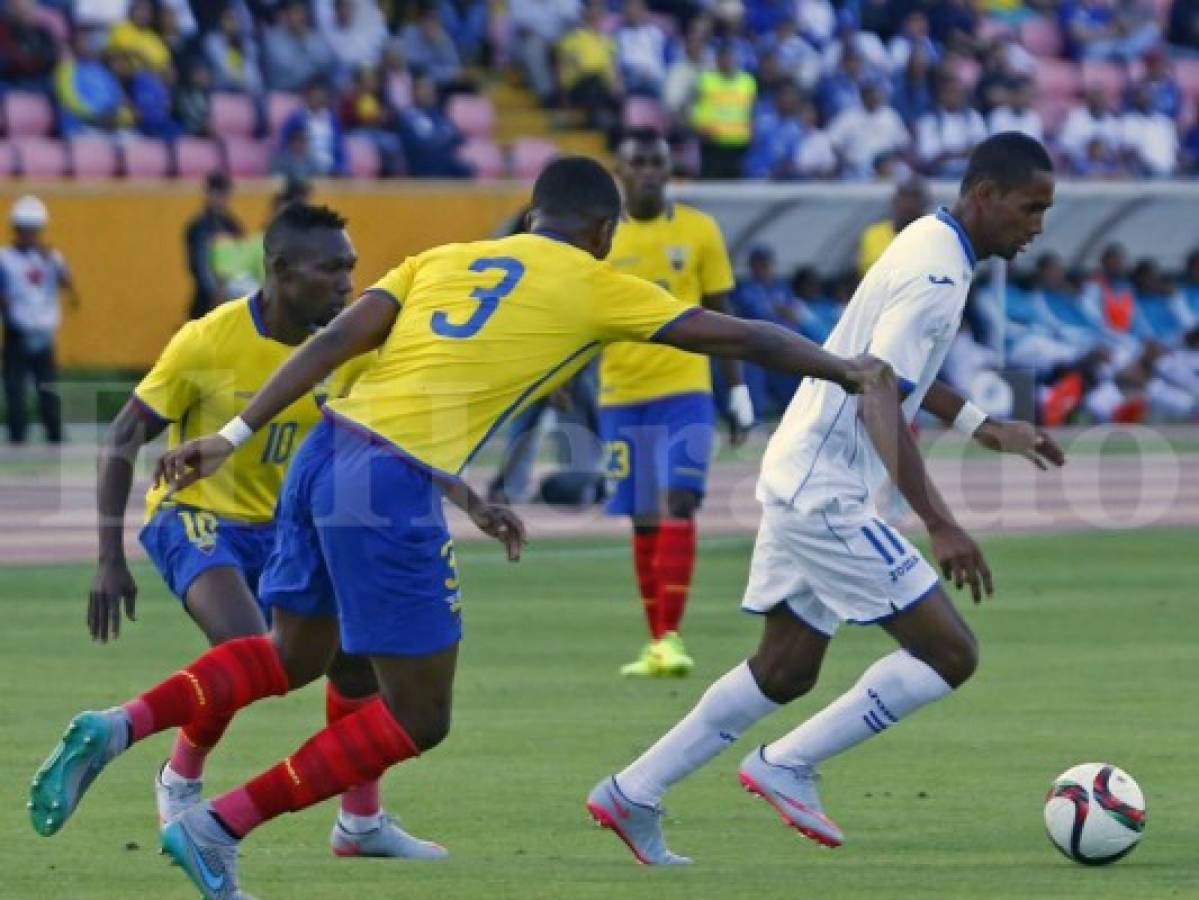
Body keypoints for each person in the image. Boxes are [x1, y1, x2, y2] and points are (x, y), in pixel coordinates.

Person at [30, 156, 883, 898]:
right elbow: (738, 335)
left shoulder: (443, 258)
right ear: (600, 228)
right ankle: (219, 826)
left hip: (323, 457)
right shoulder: (595, 281)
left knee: (295, 657)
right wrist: (840, 367)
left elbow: (331, 348)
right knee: (419, 715)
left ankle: (121, 725)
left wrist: (232, 432)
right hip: (389, 482)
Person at [584, 132, 1066, 865]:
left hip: (802, 466)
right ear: (984, 195)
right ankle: (787, 764)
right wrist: (941, 523)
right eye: (1030, 208)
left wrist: (983, 424)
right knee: (949, 652)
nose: (1037, 225)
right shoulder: (937, 276)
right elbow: (877, 393)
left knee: (784, 667)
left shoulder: (929, 242)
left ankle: (631, 791)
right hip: (824, 489)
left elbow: (893, 369)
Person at [84, 202, 457, 859]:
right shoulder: (207, 340)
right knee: (248, 646)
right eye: (332, 269)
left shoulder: (350, 349)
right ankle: (180, 779)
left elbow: (392, 436)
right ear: (280, 271)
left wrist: (471, 499)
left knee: (356, 660)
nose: (349, 283)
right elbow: (121, 434)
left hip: (287, 529)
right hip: (196, 515)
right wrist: (108, 557)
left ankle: (360, 824)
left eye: (352, 267)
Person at [600, 130, 753, 677]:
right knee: (643, 520)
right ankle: (655, 642)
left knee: (679, 501)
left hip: (685, 388)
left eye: (656, 163)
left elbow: (721, 308)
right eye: (637, 162)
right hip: (620, 393)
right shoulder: (601, 236)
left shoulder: (698, 229)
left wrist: (736, 391)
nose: (647, 172)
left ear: (669, 171)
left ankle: (671, 636)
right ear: (620, 170)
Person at [0, 195, 78, 445]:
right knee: (15, 390)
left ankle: (55, 435)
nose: (30, 235)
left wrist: (55, 265)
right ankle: (17, 438)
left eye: (34, 230)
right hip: (18, 330)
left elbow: (69, 287)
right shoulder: (4, 258)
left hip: (44, 331)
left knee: (48, 389)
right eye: (26, 230)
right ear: (17, 230)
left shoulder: (51, 257)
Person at [184, 171, 243, 320]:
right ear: (208, 193)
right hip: (206, 301)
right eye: (219, 193)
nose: (223, 199)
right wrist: (215, 292)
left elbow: (241, 260)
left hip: (231, 298)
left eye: (225, 194)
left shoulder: (232, 225)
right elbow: (199, 266)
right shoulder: (198, 227)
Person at [858, 175, 930, 276]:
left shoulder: (933, 236)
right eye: (903, 197)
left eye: (914, 198)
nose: (908, 204)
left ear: (924, 203)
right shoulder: (873, 234)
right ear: (894, 201)